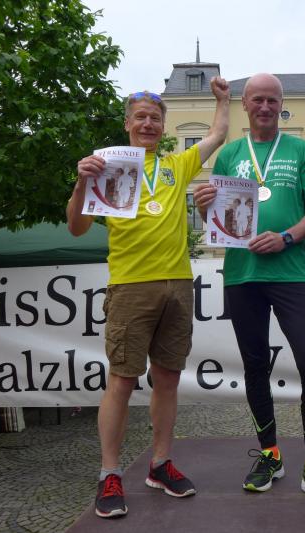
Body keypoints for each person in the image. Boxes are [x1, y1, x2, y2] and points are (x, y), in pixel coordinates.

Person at [67, 77, 230, 518]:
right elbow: (76, 228)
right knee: (121, 380)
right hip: (130, 285)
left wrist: (223, 100)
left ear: (163, 126)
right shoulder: (106, 167)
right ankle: (109, 473)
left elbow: (217, 134)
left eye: (155, 119)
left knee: (168, 378)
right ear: (127, 124)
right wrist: (81, 184)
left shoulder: (177, 165)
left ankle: (160, 464)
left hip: (177, 283)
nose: (148, 124)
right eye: (140, 117)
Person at [193, 73, 305, 508]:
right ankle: (269, 455)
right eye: (257, 99)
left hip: (289, 272)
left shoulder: (299, 150)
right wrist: (204, 210)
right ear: (245, 104)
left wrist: (287, 237)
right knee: (255, 365)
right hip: (242, 275)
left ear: (281, 106)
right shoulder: (230, 155)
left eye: (272, 100)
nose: (265, 107)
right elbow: (218, 223)